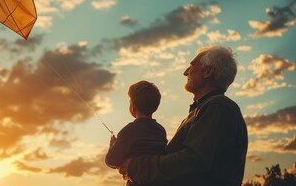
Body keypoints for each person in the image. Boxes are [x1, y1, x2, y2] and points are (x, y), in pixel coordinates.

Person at [119, 45, 248, 186]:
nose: (185, 72)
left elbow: (191, 162)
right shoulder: (203, 110)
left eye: (192, 66)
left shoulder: (218, 107)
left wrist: (135, 166)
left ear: (208, 71)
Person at [105, 80, 167, 186]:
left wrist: (112, 146)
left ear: (133, 106)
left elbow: (111, 160)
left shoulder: (128, 131)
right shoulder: (161, 130)